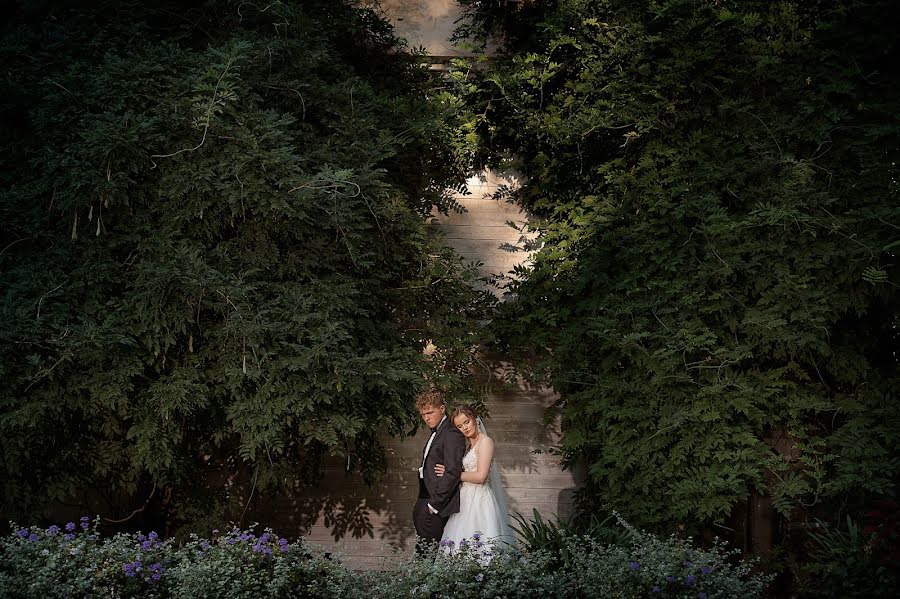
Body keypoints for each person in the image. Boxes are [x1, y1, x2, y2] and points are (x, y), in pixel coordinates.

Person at [434, 404, 514, 559]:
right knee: (460, 541)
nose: (464, 427)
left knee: (482, 543)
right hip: (464, 498)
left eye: (466, 422)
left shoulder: (486, 442)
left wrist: (452, 474)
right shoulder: (469, 446)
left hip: (479, 499)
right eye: (459, 426)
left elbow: (481, 476)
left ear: (475, 419)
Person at [412, 389, 467, 556]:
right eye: (423, 414)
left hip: (435, 503)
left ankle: (424, 582)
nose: (427, 418)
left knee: (428, 553)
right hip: (424, 498)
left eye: (430, 412)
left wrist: (434, 504)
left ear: (442, 409)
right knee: (423, 549)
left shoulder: (451, 433)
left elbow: (452, 472)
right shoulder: (437, 432)